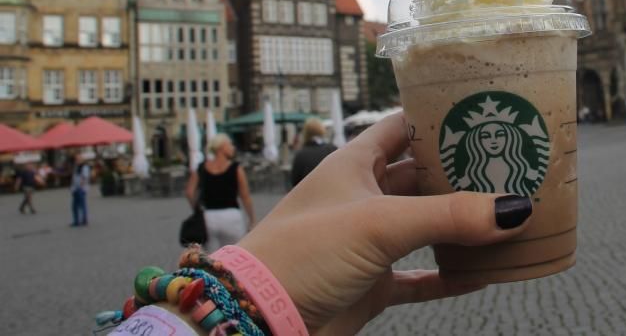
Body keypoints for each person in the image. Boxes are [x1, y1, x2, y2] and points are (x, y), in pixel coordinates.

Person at [107, 113, 534, 335]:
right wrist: (257, 291)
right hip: (244, 223)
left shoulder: (238, 162)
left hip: (253, 224)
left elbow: (301, 187)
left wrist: (261, 290)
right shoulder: (314, 152)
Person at [186, 133, 257, 250]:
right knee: (234, 251)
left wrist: (196, 210)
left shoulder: (201, 168)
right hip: (231, 215)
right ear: (221, 147)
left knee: (212, 255)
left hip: (209, 216)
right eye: (229, 145)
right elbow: (245, 196)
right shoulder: (236, 168)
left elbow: (189, 192)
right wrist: (252, 218)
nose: (232, 148)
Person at [291, 118, 337, 187]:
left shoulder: (300, 155)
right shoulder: (332, 149)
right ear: (322, 130)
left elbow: (295, 182)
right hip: (332, 190)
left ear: (305, 133)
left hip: (309, 191)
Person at [70, 153, 91, 227]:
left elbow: (84, 177)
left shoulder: (84, 167)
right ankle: (76, 221)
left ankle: (84, 220)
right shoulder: (76, 167)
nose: (77, 161)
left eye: (79, 159)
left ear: (82, 160)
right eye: (76, 159)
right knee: (74, 206)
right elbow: (74, 178)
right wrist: (72, 188)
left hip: (81, 188)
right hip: (75, 188)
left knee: (82, 205)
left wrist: (80, 187)